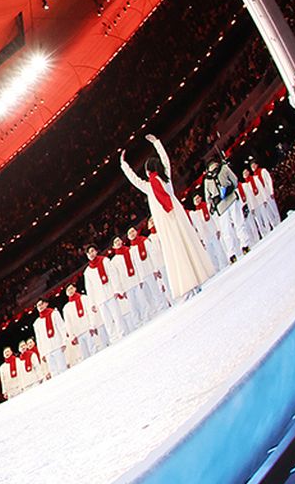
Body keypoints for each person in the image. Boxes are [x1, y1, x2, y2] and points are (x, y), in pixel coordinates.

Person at [121, 135, 214, 301]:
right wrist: (157, 142)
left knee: (174, 250)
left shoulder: (149, 186)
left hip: (165, 221)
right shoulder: (166, 179)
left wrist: (124, 165)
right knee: (187, 243)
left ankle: (187, 284)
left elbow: (134, 179)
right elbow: (165, 160)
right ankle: (197, 278)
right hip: (176, 215)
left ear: (149, 171)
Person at [81, 245, 124, 345]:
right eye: (89, 253)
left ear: (96, 251)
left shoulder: (105, 261)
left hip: (110, 292)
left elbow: (113, 275)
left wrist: (117, 289)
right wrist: (92, 303)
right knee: (107, 320)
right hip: (99, 298)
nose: (91, 254)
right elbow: (89, 289)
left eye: (92, 251)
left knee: (117, 315)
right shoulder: (87, 272)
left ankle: (122, 333)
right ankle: (113, 338)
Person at [62, 285, 101, 361]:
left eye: (71, 288)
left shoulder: (84, 298)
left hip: (88, 329)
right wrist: (72, 336)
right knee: (84, 357)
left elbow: (90, 313)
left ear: (75, 288)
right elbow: (68, 323)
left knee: (95, 351)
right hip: (78, 334)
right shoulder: (66, 307)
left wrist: (92, 326)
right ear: (66, 293)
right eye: (68, 290)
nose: (70, 291)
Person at [32, 299, 69, 379]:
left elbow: (61, 327)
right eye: (38, 305)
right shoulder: (37, 323)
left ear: (46, 304)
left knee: (63, 368)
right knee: (54, 372)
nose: (40, 307)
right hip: (47, 350)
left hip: (57, 345)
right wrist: (42, 353)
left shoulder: (54, 314)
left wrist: (64, 342)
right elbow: (39, 339)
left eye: (41, 304)